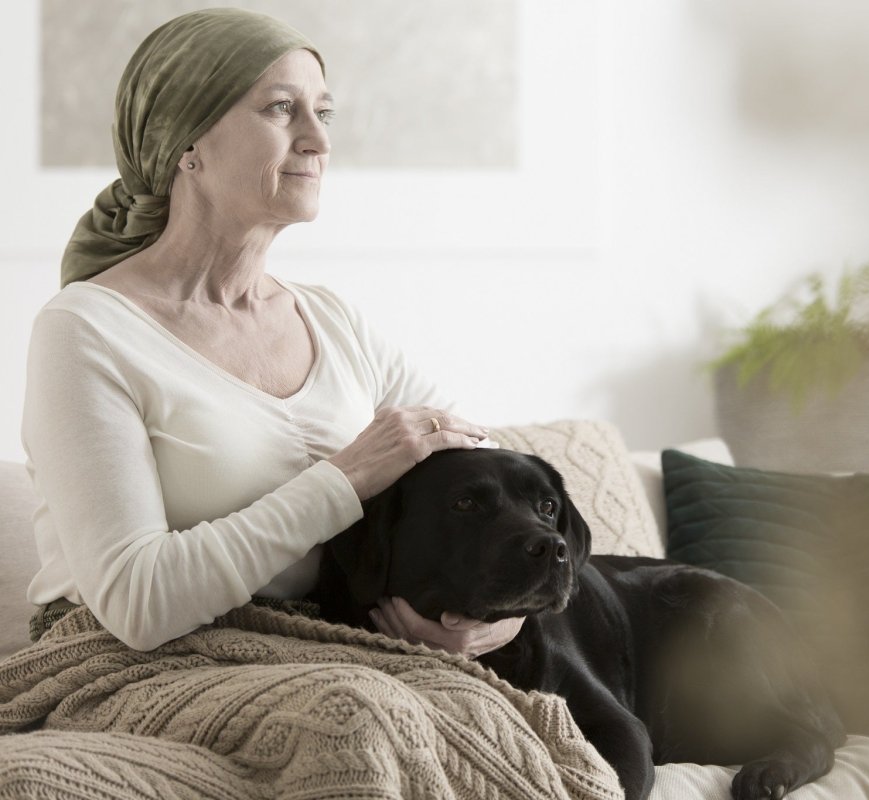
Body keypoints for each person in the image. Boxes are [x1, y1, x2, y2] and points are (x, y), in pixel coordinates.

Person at [23, 7, 523, 657]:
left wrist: (496, 618)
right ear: (186, 143)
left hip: (324, 643)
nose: (318, 140)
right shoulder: (84, 331)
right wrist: (347, 477)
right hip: (128, 658)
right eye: (281, 108)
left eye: (324, 112)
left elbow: (499, 481)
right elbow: (136, 604)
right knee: (365, 712)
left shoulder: (334, 321)